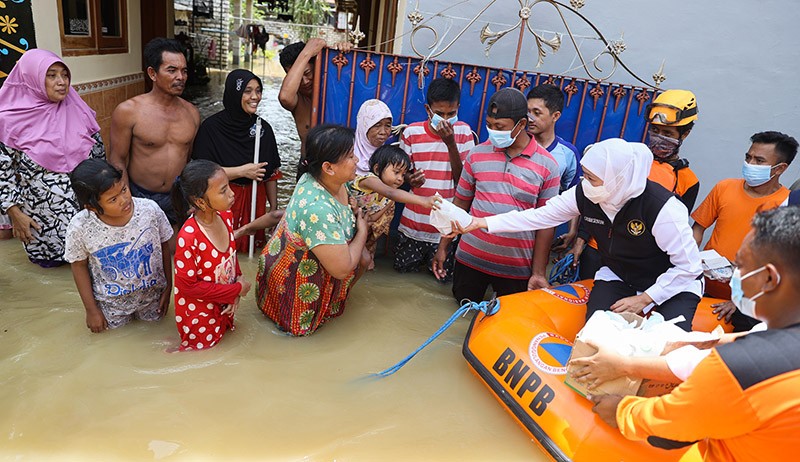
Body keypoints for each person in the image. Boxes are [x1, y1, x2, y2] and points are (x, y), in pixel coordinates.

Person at [591, 206, 800, 461]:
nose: (733, 276)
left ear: (769, 279)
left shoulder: (740, 368)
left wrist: (618, 409)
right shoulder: (776, 339)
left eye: (740, 266)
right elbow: (732, 340)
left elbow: (671, 430)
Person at [452, 138, 702, 331]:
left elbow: (688, 267)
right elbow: (538, 216)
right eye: (585, 176)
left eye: (592, 178)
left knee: (666, 342)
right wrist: (479, 222)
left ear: (617, 178)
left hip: (673, 284)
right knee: (595, 333)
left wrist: (646, 298)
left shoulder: (662, 208)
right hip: (620, 275)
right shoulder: (585, 194)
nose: (585, 182)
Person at [435, 88, 560, 302]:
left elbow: (546, 224)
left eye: (500, 127)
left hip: (515, 268)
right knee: (461, 312)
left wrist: (538, 272)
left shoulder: (548, 165)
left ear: (521, 124)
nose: (493, 132)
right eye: (489, 125)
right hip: (469, 259)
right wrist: (443, 247)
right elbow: (459, 204)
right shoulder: (476, 154)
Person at [568, 89, 700, 275]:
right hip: (597, 248)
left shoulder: (688, 180)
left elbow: (673, 229)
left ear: (684, 134)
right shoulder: (628, 160)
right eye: (655, 130)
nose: (659, 137)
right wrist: (580, 240)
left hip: (636, 262)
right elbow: (594, 198)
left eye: (667, 133)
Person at [256, 125, 369, 336]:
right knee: (297, 339)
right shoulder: (318, 209)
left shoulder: (322, 179)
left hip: (288, 262)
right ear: (328, 168)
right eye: (351, 156)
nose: (357, 161)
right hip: (296, 282)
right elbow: (342, 269)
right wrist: (362, 230)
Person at [0, 49, 106, 267]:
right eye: (52, 75)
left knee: (91, 273)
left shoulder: (79, 110)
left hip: (87, 217)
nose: (62, 82)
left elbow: (100, 162)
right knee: (51, 276)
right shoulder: (8, 120)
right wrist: (15, 214)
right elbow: (3, 173)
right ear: (32, 78)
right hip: (42, 225)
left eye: (65, 75)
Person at [692, 131, 796, 331]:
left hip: (746, 306)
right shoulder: (724, 188)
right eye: (748, 157)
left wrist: (740, 303)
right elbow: (697, 229)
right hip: (703, 286)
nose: (750, 164)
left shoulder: (787, 205)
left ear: (780, 168)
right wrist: (690, 265)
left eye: (759, 160)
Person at [64, 159, 172, 332]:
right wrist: (91, 311)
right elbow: (78, 266)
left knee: (157, 333)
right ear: (92, 207)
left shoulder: (150, 210)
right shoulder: (79, 227)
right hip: (111, 306)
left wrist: (168, 287)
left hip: (153, 298)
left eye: (124, 189)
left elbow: (164, 246)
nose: (124, 200)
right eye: (113, 199)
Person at [109, 37, 200, 236]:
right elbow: (117, 160)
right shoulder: (128, 111)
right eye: (172, 70)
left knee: (176, 255)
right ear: (152, 73)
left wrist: (192, 198)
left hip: (178, 196)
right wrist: (126, 199)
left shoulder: (192, 113)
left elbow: (189, 160)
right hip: (140, 195)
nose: (181, 77)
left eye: (184, 71)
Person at [192, 69, 284, 253]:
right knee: (218, 247)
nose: (255, 97)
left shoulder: (262, 129)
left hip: (254, 198)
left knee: (250, 250)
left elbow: (272, 174)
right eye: (248, 91)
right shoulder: (211, 128)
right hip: (221, 195)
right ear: (234, 92)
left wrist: (273, 211)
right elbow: (199, 173)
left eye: (258, 90)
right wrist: (242, 171)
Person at [394, 78, 475, 281]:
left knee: (440, 280)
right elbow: (401, 176)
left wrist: (451, 144)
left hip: (445, 230)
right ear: (428, 110)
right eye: (439, 114)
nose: (446, 119)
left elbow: (463, 182)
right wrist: (411, 179)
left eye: (451, 114)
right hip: (413, 224)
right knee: (402, 279)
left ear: (458, 108)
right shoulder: (412, 133)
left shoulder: (464, 133)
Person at [171, 160, 250, 351]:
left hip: (225, 305)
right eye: (223, 190)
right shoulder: (189, 237)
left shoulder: (226, 216)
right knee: (199, 354)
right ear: (200, 202)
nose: (231, 193)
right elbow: (187, 287)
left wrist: (237, 283)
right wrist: (236, 290)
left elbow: (231, 256)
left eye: (228, 186)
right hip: (199, 314)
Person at [348, 145, 440, 269]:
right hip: (344, 223)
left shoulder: (390, 198)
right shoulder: (369, 180)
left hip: (358, 226)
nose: (400, 179)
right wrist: (424, 201)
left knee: (366, 262)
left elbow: (372, 219)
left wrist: (359, 214)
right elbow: (390, 193)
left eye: (403, 175)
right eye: (396, 172)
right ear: (377, 169)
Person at [278, 38, 350, 179]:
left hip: (341, 169)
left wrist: (344, 51)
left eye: (308, 73)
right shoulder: (296, 99)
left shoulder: (335, 85)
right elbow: (285, 97)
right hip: (309, 169)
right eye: (299, 76)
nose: (304, 82)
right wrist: (307, 52)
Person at [526, 84, 582, 253]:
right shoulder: (517, 145)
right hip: (515, 227)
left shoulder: (567, 153)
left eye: (537, 113)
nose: (529, 118)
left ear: (555, 116)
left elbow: (573, 194)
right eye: (527, 112)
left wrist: (572, 231)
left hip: (545, 233)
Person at [353, 99, 393, 175]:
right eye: (377, 125)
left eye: (388, 126)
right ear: (364, 126)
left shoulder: (389, 157)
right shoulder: (347, 152)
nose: (383, 132)